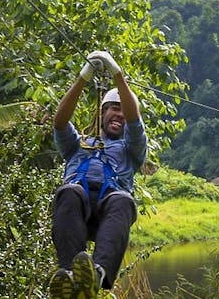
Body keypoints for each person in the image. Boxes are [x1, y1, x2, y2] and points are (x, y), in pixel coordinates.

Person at [49, 50, 148, 298]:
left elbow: (135, 120)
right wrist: (83, 78)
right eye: (114, 109)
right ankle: (72, 276)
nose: (120, 115)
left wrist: (118, 75)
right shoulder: (77, 143)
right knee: (69, 191)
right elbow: (59, 122)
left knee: (123, 199)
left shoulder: (131, 149)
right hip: (77, 207)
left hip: (109, 209)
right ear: (102, 113)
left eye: (123, 111)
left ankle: (97, 274)